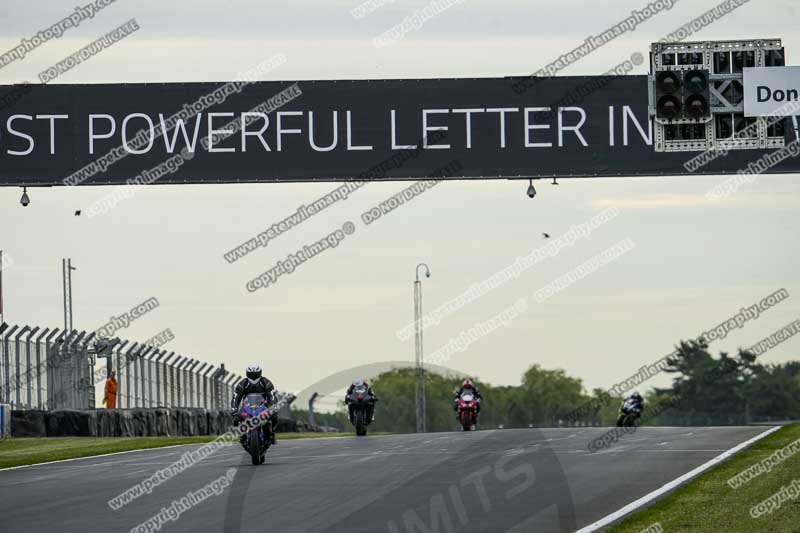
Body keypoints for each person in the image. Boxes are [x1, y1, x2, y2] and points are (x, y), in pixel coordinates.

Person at [231, 364, 278, 446]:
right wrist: (234, 410)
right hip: (247, 406)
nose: (253, 377)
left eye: (255, 374)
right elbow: (236, 398)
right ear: (247, 374)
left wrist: (273, 407)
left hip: (263, 405)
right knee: (236, 419)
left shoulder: (265, 382)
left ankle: (271, 433)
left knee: (274, 417)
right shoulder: (243, 384)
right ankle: (241, 435)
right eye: (251, 374)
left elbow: (272, 395)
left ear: (260, 373)